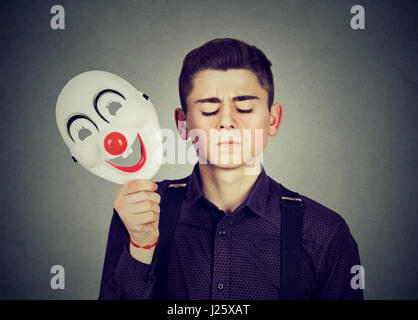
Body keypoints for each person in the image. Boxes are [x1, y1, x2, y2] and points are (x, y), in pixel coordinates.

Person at [98, 38, 364, 300]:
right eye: (210, 108)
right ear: (182, 124)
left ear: (273, 119)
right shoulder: (142, 211)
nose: (226, 121)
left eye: (245, 108)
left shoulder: (324, 232)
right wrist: (141, 245)